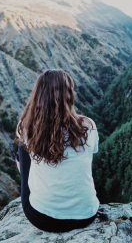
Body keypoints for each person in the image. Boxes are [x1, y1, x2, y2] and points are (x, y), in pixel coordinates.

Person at [14, 69, 100, 233]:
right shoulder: (88, 125)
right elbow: (89, 158)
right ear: (69, 95)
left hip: (42, 218)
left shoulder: (26, 127)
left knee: (22, 148)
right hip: (86, 215)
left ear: (38, 96)